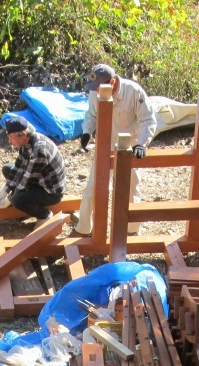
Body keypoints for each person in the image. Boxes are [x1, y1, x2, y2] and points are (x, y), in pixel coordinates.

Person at [73, 64, 157, 237]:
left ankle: (131, 230)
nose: (96, 92)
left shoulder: (133, 91)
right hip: (105, 143)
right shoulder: (95, 92)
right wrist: (87, 131)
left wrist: (141, 143)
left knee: (132, 187)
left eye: (99, 88)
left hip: (130, 144)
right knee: (94, 187)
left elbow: (148, 119)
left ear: (111, 82)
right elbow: (92, 114)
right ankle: (84, 228)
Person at [0, 116, 66, 223]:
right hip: (38, 179)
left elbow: (26, 180)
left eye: (10, 137)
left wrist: (9, 199)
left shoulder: (40, 151)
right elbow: (18, 167)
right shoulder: (26, 141)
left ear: (23, 134)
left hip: (51, 191)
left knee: (18, 201)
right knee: (7, 169)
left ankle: (44, 216)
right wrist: (5, 190)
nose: (9, 141)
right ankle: (26, 201)